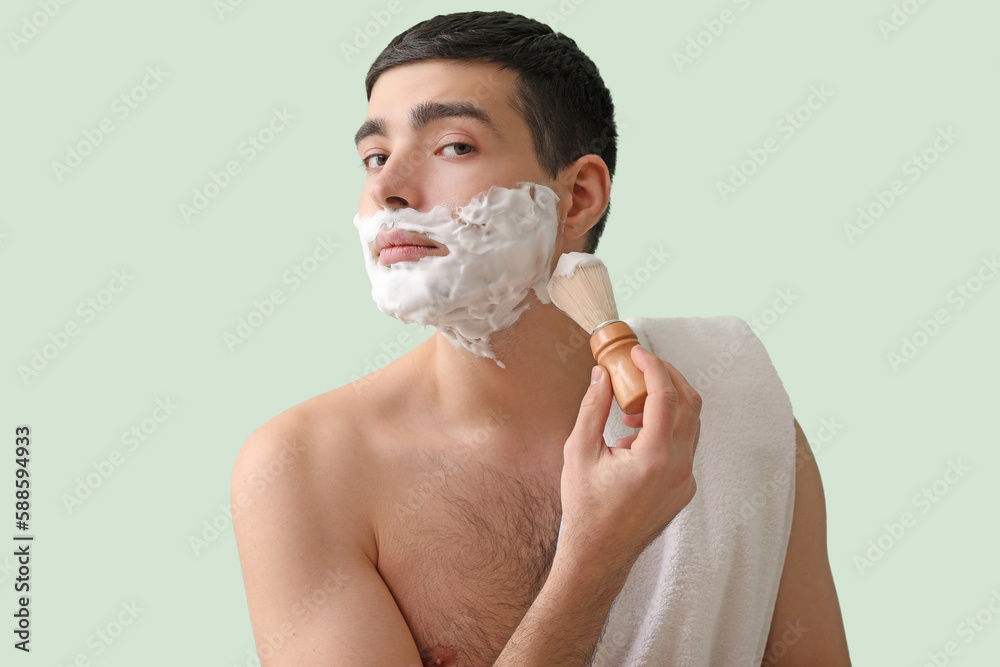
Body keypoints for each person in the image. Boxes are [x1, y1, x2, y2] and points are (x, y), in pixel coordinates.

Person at [232, 11, 851, 666]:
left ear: (578, 196)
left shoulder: (733, 410)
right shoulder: (306, 469)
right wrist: (595, 559)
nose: (387, 189)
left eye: (453, 147)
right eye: (375, 156)